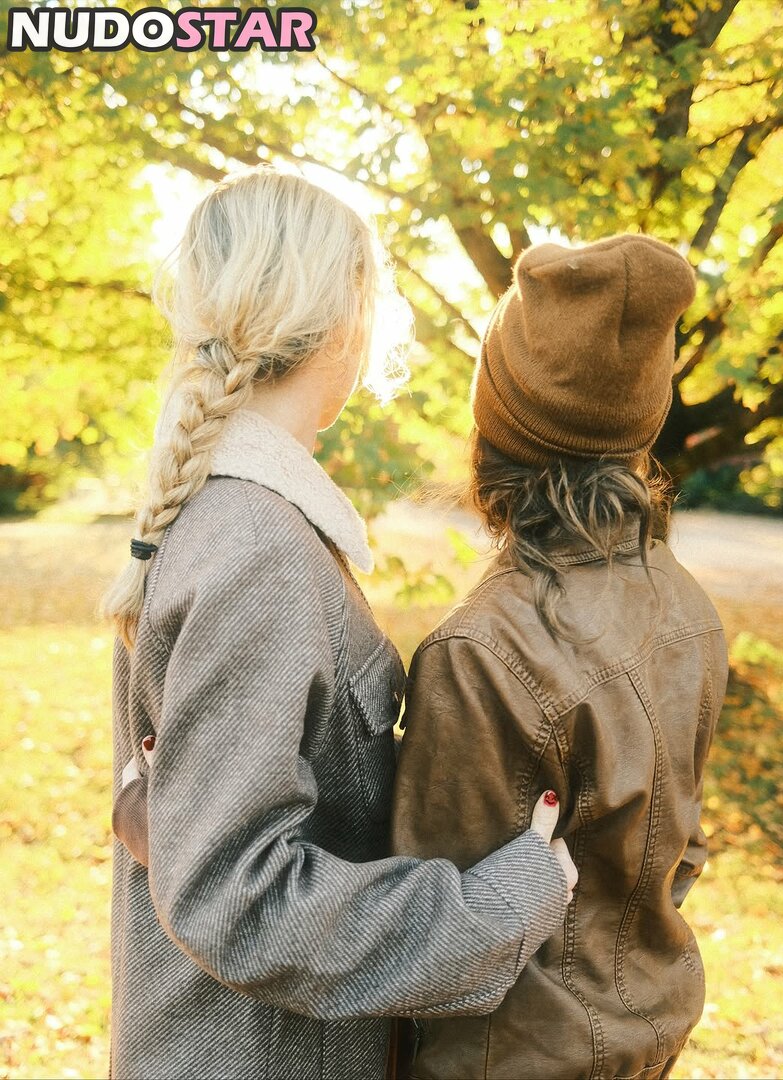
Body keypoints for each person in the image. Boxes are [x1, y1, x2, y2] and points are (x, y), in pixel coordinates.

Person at [101, 165, 578, 1080]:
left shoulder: (226, 515)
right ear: (343, 322)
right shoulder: (258, 548)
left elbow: (193, 832)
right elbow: (236, 899)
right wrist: (503, 906)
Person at [390, 235, 729, 1079]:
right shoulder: (687, 606)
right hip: (647, 1040)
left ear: (495, 424)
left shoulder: (480, 653)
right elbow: (681, 849)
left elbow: (436, 936)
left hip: (508, 1060)